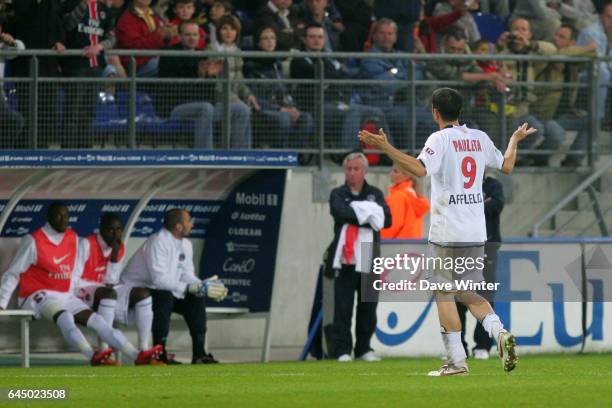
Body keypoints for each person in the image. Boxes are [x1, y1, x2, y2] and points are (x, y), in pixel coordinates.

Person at [359, 87, 536, 375]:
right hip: (476, 231)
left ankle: (456, 362)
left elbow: (418, 169)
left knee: (443, 293)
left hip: (447, 230)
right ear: (460, 111)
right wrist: (515, 139)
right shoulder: (479, 138)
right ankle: (499, 331)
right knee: (466, 291)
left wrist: (385, 147)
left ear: (435, 112)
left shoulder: (439, 139)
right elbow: (506, 165)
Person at [0, 203, 162, 366]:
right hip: (38, 294)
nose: (64, 220)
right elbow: (13, 273)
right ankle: (93, 355)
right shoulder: (33, 241)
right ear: (49, 218)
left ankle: (137, 355)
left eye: (66, 217)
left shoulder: (72, 237)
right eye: (58, 216)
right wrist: (1, 302)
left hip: (64, 294)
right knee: (65, 317)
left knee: (98, 322)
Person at [120, 208, 228, 364]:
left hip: (162, 291)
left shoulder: (186, 245)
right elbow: (159, 280)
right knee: (165, 296)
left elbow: (187, 274)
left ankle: (199, 354)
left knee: (194, 299)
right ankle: (159, 354)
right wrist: (189, 287)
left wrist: (202, 286)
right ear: (178, 226)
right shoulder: (157, 241)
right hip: (134, 291)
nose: (192, 224)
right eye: (189, 221)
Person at [328, 152, 392, 362]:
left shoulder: (375, 193)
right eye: (349, 169)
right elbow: (340, 213)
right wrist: (369, 214)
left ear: (364, 171)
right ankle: (342, 350)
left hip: (368, 255)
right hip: (346, 257)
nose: (352, 173)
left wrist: (358, 211)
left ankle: (364, 348)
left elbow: (386, 219)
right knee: (343, 306)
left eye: (356, 169)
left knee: (368, 306)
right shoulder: (338, 193)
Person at [290, 22, 393, 150]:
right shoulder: (299, 60)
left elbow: (342, 76)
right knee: (353, 111)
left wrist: (332, 79)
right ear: (304, 40)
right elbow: (321, 73)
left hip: (338, 103)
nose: (316, 40)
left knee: (377, 111)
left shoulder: (328, 59)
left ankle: (391, 156)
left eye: (320, 37)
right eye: (312, 37)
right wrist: (334, 77)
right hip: (314, 107)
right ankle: (348, 154)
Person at [73, 212, 155, 354]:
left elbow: (112, 281)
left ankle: (144, 348)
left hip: (105, 287)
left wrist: (114, 257)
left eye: (118, 230)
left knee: (144, 294)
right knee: (109, 294)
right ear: (101, 229)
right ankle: (104, 349)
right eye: (111, 229)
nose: (115, 234)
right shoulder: (86, 243)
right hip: (82, 285)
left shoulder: (119, 247)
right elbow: (74, 274)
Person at [359, 18, 437, 150]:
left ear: (395, 37)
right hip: (383, 105)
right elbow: (387, 85)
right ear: (374, 36)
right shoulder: (368, 58)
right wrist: (406, 75)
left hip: (407, 104)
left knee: (432, 120)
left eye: (390, 34)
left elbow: (418, 74)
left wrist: (395, 74)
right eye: (382, 33)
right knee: (409, 119)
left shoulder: (402, 55)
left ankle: (424, 160)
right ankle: (408, 158)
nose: (386, 37)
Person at [457, 174, 504, 360]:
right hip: (460, 247)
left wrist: (468, 207)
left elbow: (496, 205)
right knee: (457, 298)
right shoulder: (456, 183)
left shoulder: (493, 185)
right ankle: (458, 346)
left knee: (484, 295)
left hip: (487, 246)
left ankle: (483, 345)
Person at [244, 25, 314, 148]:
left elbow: (284, 91)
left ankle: (294, 155)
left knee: (306, 117)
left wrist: (292, 107)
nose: (270, 41)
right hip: (262, 110)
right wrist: (279, 109)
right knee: (284, 118)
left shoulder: (277, 65)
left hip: (282, 107)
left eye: (272, 38)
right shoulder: (250, 66)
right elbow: (255, 99)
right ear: (259, 43)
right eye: (265, 38)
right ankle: (280, 156)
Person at [157, 20, 224, 148]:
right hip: (174, 107)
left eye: (195, 35)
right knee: (206, 108)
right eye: (188, 35)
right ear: (180, 36)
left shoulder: (203, 54)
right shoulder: (169, 54)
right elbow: (171, 88)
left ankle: (241, 157)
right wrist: (197, 73)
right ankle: (204, 156)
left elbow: (208, 92)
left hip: (201, 104)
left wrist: (210, 76)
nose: (192, 38)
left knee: (240, 109)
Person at [59, 0, 117, 148]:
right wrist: (82, 5)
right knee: (73, 110)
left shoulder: (104, 10)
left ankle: (85, 149)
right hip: (74, 66)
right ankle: (69, 151)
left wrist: (99, 46)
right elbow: (67, 25)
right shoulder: (70, 4)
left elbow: (112, 38)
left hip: (96, 67)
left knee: (89, 111)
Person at [205, 14, 255, 149]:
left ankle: (245, 155)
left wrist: (248, 94)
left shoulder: (237, 51)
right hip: (216, 101)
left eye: (232, 29)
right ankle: (237, 155)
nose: (228, 33)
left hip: (234, 100)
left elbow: (240, 80)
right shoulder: (212, 49)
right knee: (243, 109)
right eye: (225, 28)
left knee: (247, 108)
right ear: (219, 31)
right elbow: (215, 83)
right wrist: (233, 98)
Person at [115, 0, 177, 77]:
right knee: (168, 63)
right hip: (135, 65)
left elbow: (162, 40)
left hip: (152, 59)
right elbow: (134, 46)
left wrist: (168, 34)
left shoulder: (153, 16)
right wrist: (160, 36)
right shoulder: (126, 18)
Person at [578, 1, 612, 123]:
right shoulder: (590, 32)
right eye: (609, 17)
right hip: (584, 75)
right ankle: (597, 119)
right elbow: (594, 62)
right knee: (602, 72)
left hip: (605, 74)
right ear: (601, 16)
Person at [381, 165, 429, 240]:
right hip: (412, 245)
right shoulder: (413, 195)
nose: (391, 173)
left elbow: (393, 225)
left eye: (395, 171)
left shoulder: (399, 196)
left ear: (406, 176)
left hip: (396, 246)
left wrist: (379, 238)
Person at [0, 12, 24, 146]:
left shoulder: (3, 46)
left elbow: (20, 50)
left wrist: (12, 42)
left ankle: (2, 153)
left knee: (16, 120)